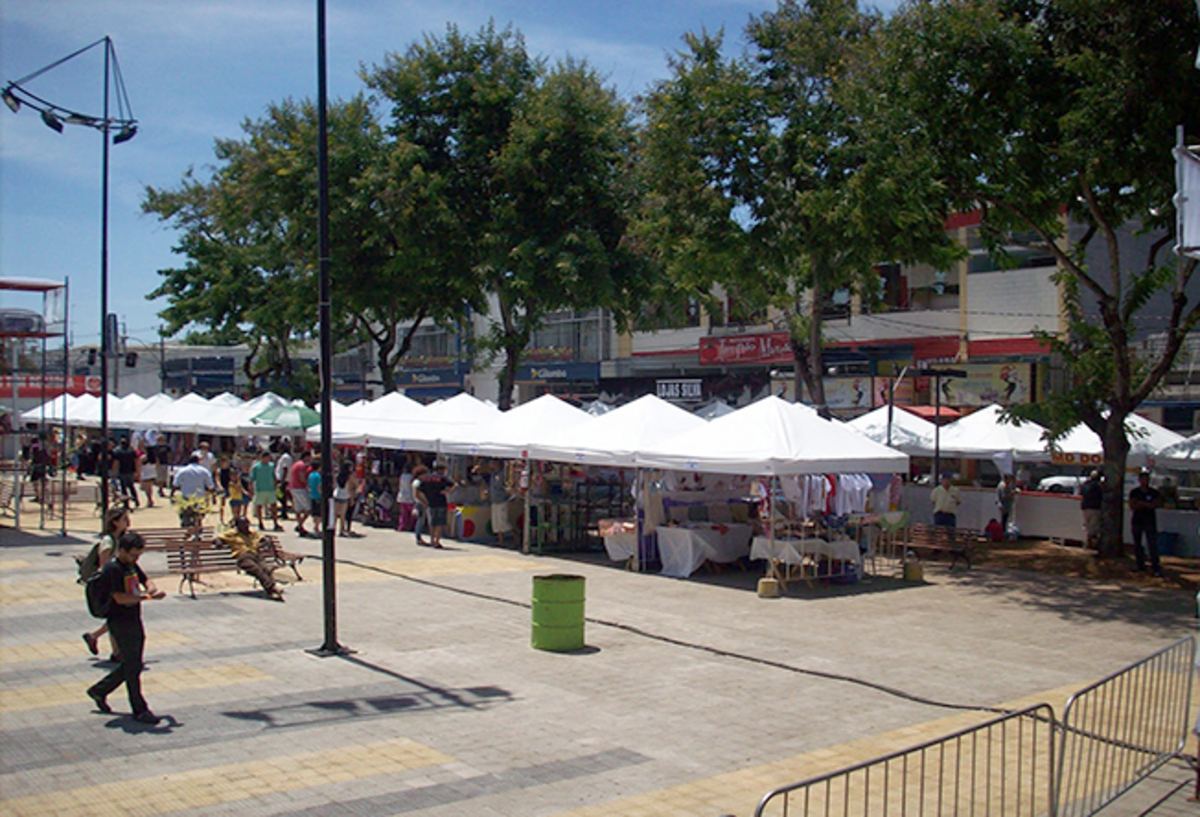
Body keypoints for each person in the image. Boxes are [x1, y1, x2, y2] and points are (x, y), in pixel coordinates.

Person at [86, 531, 165, 724]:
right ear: (122, 550)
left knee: (133, 664)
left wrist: (151, 588)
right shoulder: (112, 569)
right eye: (133, 555)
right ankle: (139, 709)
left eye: (138, 556)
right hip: (119, 621)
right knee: (133, 665)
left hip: (134, 618)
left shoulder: (130, 564)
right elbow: (120, 598)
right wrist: (147, 597)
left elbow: (145, 578)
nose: (135, 559)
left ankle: (99, 690)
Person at [82, 506, 130, 659]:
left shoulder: (119, 539)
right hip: (109, 584)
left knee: (116, 617)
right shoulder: (108, 541)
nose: (128, 521)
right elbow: (104, 566)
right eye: (124, 519)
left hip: (116, 582)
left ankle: (98, 639)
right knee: (116, 617)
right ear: (115, 522)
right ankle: (115, 650)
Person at [217, 516, 285, 601]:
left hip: (255, 555)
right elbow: (218, 538)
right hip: (243, 556)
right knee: (257, 570)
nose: (246, 526)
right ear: (238, 526)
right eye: (243, 525)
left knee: (265, 569)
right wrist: (219, 542)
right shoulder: (232, 533)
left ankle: (271, 591)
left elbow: (263, 538)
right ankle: (272, 588)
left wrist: (263, 543)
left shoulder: (252, 533)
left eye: (247, 524)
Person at [171, 453, 215, 540]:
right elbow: (210, 486)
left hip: (186, 498)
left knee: (186, 518)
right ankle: (197, 534)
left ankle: (188, 534)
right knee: (198, 518)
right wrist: (212, 496)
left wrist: (172, 495)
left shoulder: (183, 470)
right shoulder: (204, 471)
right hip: (199, 498)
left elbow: (175, 484)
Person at [1128, 470, 1163, 576]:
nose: (1145, 481)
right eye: (1143, 479)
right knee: (1137, 543)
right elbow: (1132, 506)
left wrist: (1142, 504)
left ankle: (1155, 566)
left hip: (1149, 520)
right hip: (1137, 520)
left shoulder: (1154, 492)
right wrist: (1146, 504)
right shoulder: (1135, 492)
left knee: (1152, 543)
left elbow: (1156, 504)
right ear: (1139, 480)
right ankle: (1140, 565)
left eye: (1147, 479)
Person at [416, 462, 454, 548]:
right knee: (440, 523)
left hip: (431, 503)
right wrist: (447, 491)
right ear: (441, 470)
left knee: (432, 523)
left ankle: (432, 540)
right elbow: (454, 485)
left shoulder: (427, 479)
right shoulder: (442, 478)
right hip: (441, 502)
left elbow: (419, 490)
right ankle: (437, 541)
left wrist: (424, 500)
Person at [249, 450, 283, 532]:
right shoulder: (256, 467)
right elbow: (251, 479)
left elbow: (273, 476)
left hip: (270, 489)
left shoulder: (271, 466)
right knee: (259, 506)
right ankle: (260, 522)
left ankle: (275, 523)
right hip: (260, 489)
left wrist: (276, 486)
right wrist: (251, 490)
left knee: (273, 506)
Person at [487, 460, 514, 547]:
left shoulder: (502, 474)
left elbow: (507, 485)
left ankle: (516, 536)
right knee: (496, 522)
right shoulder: (492, 474)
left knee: (503, 521)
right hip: (494, 500)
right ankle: (500, 541)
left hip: (502, 500)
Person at [289, 450, 313, 536]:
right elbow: (302, 477)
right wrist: (307, 485)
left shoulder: (295, 464)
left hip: (293, 487)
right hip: (299, 488)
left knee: (298, 509)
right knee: (308, 508)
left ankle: (300, 526)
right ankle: (300, 525)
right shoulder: (302, 465)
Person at [111, 436, 140, 508]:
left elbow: (116, 462)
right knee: (131, 486)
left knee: (123, 488)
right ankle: (136, 500)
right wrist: (137, 471)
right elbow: (136, 461)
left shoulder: (118, 451)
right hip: (130, 471)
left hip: (122, 471)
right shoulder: (131, 451)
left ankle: (126, 503)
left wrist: (113, 471)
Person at [333, 460, 358, 537]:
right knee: (342, 515)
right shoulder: (350, 476)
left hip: (336, 494)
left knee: (335, 514)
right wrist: (352, 499)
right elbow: (353, 486)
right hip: (344, 495)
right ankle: (342, 530)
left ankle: (333, 529)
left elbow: (334, 484)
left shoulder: (337, 475)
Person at [1080, 470, 1103, 550]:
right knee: (1093, 527)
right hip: (1095, 508)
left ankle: (1088, 543)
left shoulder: (1086, 484)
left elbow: (1081, 493)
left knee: (1087, 525)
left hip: (1085, 507)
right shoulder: (1099, 486)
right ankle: (1090, 544)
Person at [411, 464, 430, 545]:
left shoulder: (420, 482)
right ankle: (418, 537)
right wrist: (424, 503)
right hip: (419, 503)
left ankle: (419, 537)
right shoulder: (417, 483)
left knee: (421, 521)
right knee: (420, 521)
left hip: (421, 503)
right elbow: (416, 495)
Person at [274, 442, 294, 521]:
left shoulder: (285, 457)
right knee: (282, 496)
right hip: (283, 479)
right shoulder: (286, 457)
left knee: (281, 496)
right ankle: (283, 512)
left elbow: (285, 469)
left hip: (283, 479)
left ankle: (284, 512)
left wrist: (282, 480)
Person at [396, 463, 415, 532]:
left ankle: (401, 526)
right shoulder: (412, 477)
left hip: (402, 496)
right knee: (411, 513)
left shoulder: (402, 476)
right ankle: (411, 526)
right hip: (410, 496)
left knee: (403, 513)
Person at [137, 440, 157, 508]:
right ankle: (150, 499)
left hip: (145, 473)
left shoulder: (143, 457)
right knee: (150, 487)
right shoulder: (154, 458)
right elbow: (157, 465)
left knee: (145, 488)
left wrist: (138, 474)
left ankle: (149, 500)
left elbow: (139, 465)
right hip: (152, 472)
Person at [308, 463, 324, 534]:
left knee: (314, 513)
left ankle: (315, 526)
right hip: (318, 496)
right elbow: (319, 486)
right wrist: (322, 494)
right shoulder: (318, 476)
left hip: (312, 495)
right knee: (319, 513)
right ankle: (316, 527)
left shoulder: (310, 475)